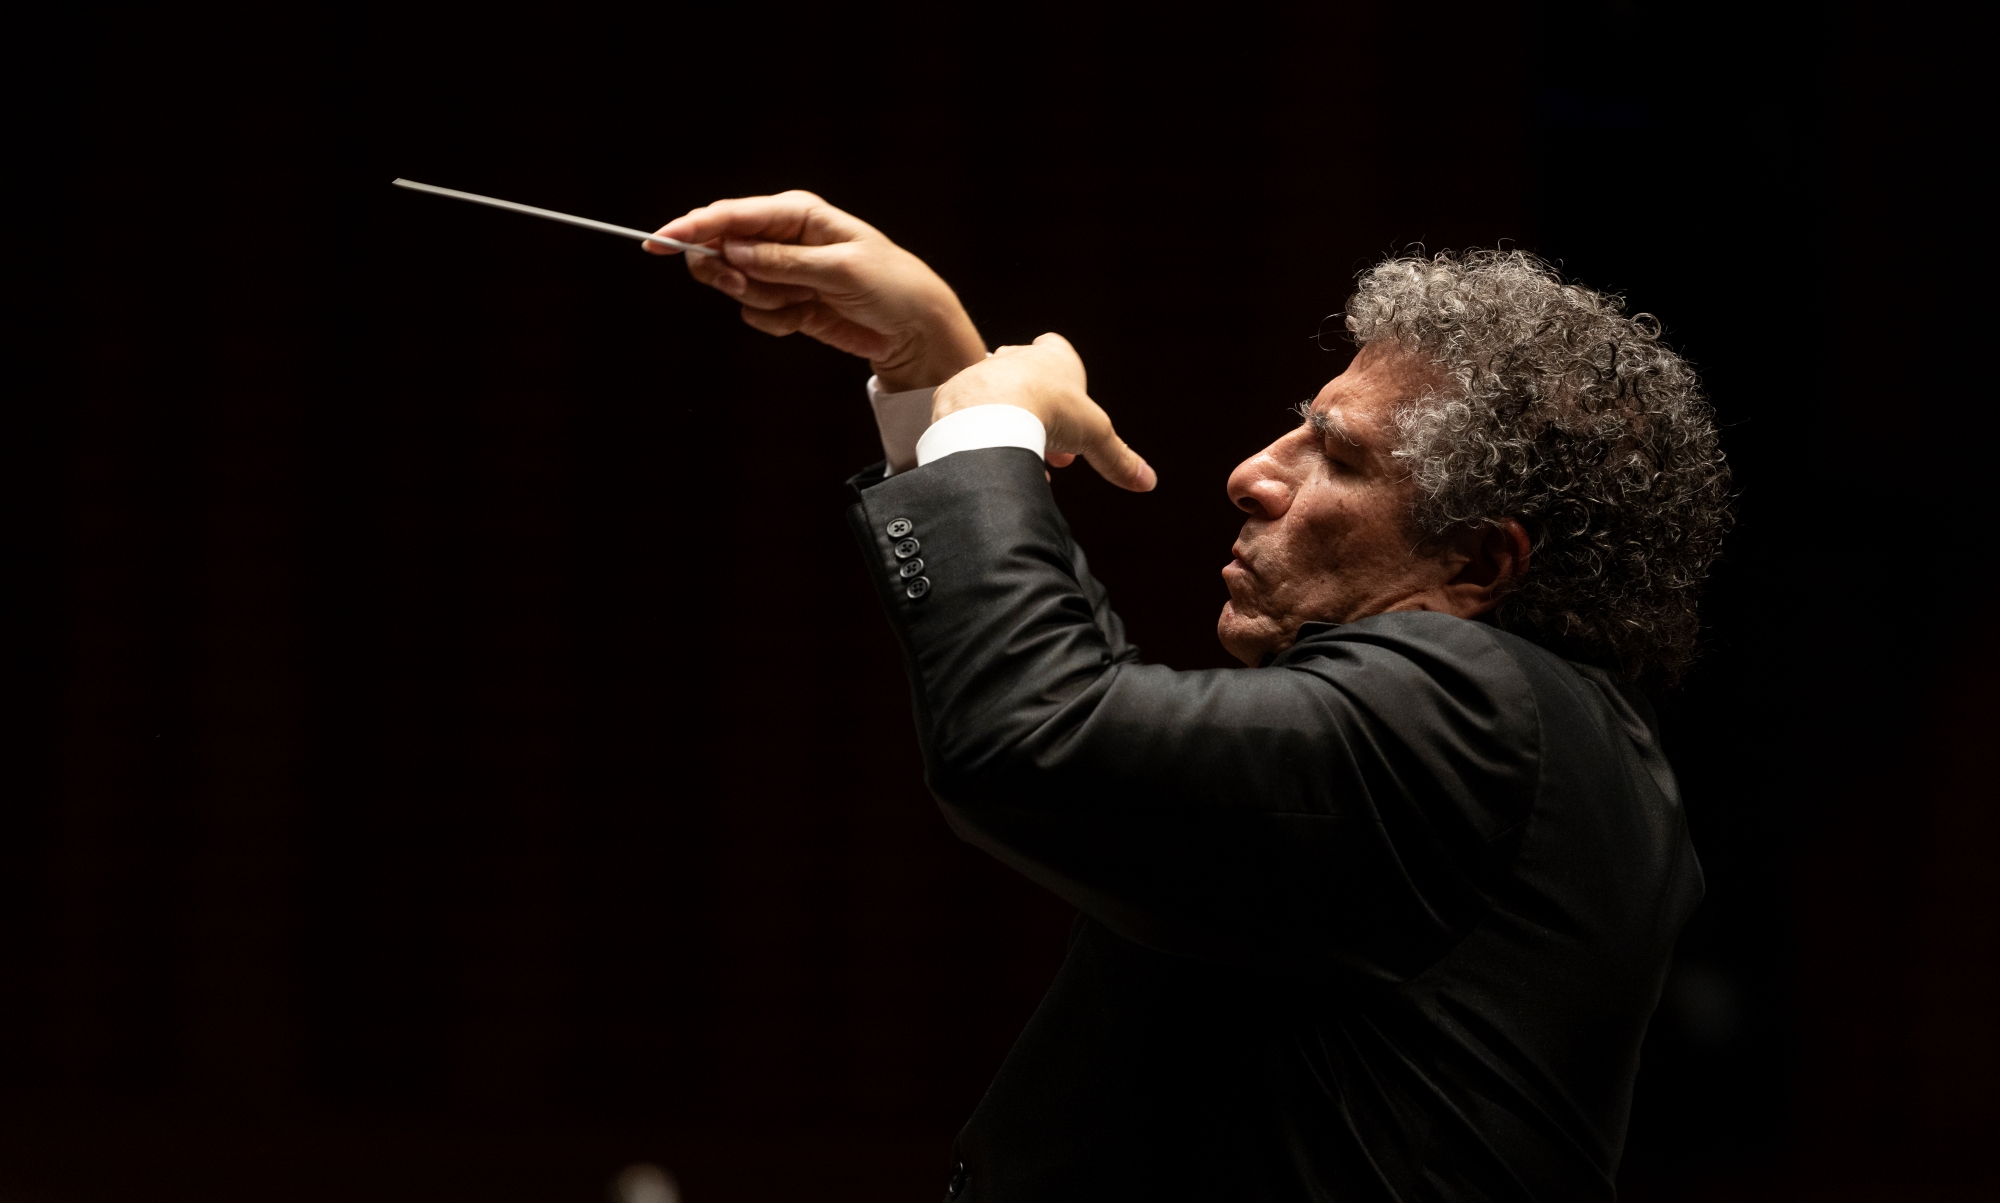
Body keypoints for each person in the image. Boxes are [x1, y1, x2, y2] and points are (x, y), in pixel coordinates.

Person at [646, 193, 1731, 1202]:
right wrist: (939, 374)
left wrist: (986, 424)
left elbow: (1038, 731)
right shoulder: (1534, 745)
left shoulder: (1471, 716)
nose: (1253, 472)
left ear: (1480, 563)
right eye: (1297, 425)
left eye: (1336, 456)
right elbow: (1085, 726)